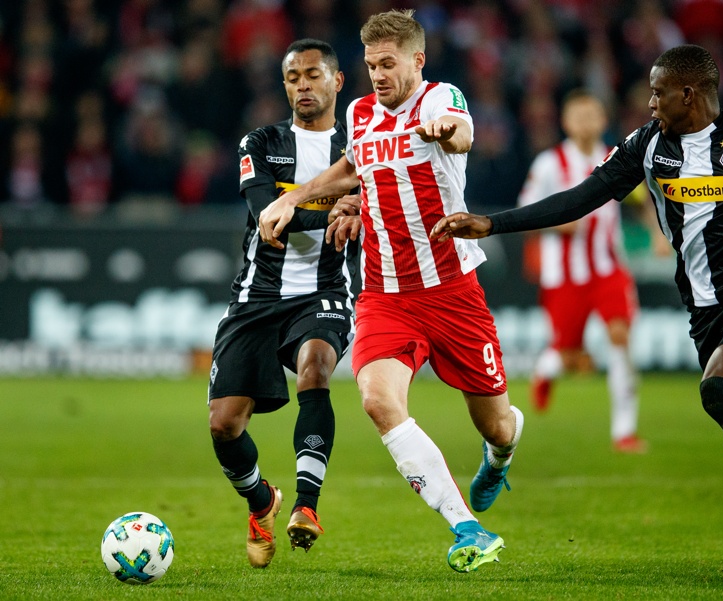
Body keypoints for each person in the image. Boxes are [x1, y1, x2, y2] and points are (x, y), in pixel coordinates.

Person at [431, 44, 723, 588]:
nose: (649, 100)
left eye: (659, 91)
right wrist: (492, 224)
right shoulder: (649, 145)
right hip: (704, 309)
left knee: (717, 391)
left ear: (689, 93)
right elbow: (582, 196)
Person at [257, 10, 524, 574]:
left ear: (416, 61)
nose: (377, 75)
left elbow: (464, 130)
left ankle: (502, 451)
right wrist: (300, 199)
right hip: (385, 295)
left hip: (453, 292)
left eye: (388, 63)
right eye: (370, 64)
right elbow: (355, 167)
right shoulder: (358, 112)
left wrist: (448, 132)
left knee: (495, 425)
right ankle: (467, 529)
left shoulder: (438, 101)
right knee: (377, 400)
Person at [207, 39, 355, 569]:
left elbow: (381, 204)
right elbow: (269, 215)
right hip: (257, 295)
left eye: (313, 75)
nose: (302, 86)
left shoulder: (359, 146)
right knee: (224, 425)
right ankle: (262, 502)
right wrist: (341, 209)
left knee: (316, 367)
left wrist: (357, 207)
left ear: (336, 82)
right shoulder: (262, 143)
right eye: (293, 77)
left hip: (324, 292)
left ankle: (307, 507)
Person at [518, 89, 661, 453]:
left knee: (620, 338)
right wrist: (558, 224)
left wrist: (657, 233)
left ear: (602, 120)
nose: (585, 122)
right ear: (565, 122)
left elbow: (641, 199)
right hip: (564, 274)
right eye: (577, 116)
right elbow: (525, 213)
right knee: (568, 356)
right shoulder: (550, 164)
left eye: (592, 115)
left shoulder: (615, 159)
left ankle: (624, 431)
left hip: (607, 268)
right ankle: (546, 369)